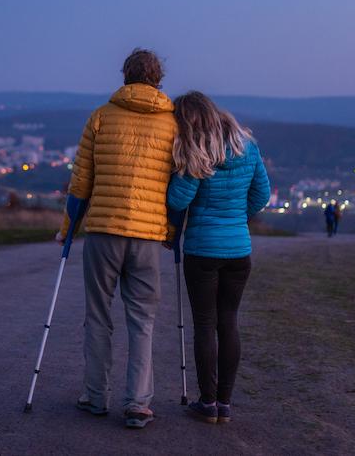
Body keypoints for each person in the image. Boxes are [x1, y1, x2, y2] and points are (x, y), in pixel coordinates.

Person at [59, 48, 178, 429]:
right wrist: (171, 232)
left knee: (98, 315)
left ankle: (95, 395)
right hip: (146, 235)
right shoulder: (173, 124)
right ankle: (138, 402)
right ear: (158, 78)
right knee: (142, 319)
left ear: (125, 76)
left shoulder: (101, 117)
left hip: (103, 231)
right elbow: (178, 184)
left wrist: (67, 229)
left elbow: (81, 180)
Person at [166, 91, 270, 424]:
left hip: (202, 251)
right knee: (229, 322)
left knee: (205, 325)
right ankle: (224, 403)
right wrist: (237, 217)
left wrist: (183, 169)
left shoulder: (195, 151)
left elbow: (179, 201)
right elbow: (262, 194)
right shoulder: (247, 146)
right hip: (239, 250)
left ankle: (207, 402)